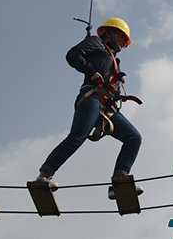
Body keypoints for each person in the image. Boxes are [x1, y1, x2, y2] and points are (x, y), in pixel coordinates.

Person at [35, 17, 143, 199]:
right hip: (92, 97)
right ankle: (44, 175)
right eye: (122, 39)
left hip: (107, 107)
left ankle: (119, 181)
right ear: (110, 33)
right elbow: (72, 55)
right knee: (78, 136)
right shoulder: (96, 42)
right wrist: (91, 72)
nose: (124, 45)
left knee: (134, 138)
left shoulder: (114, 59)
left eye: (126, 42)